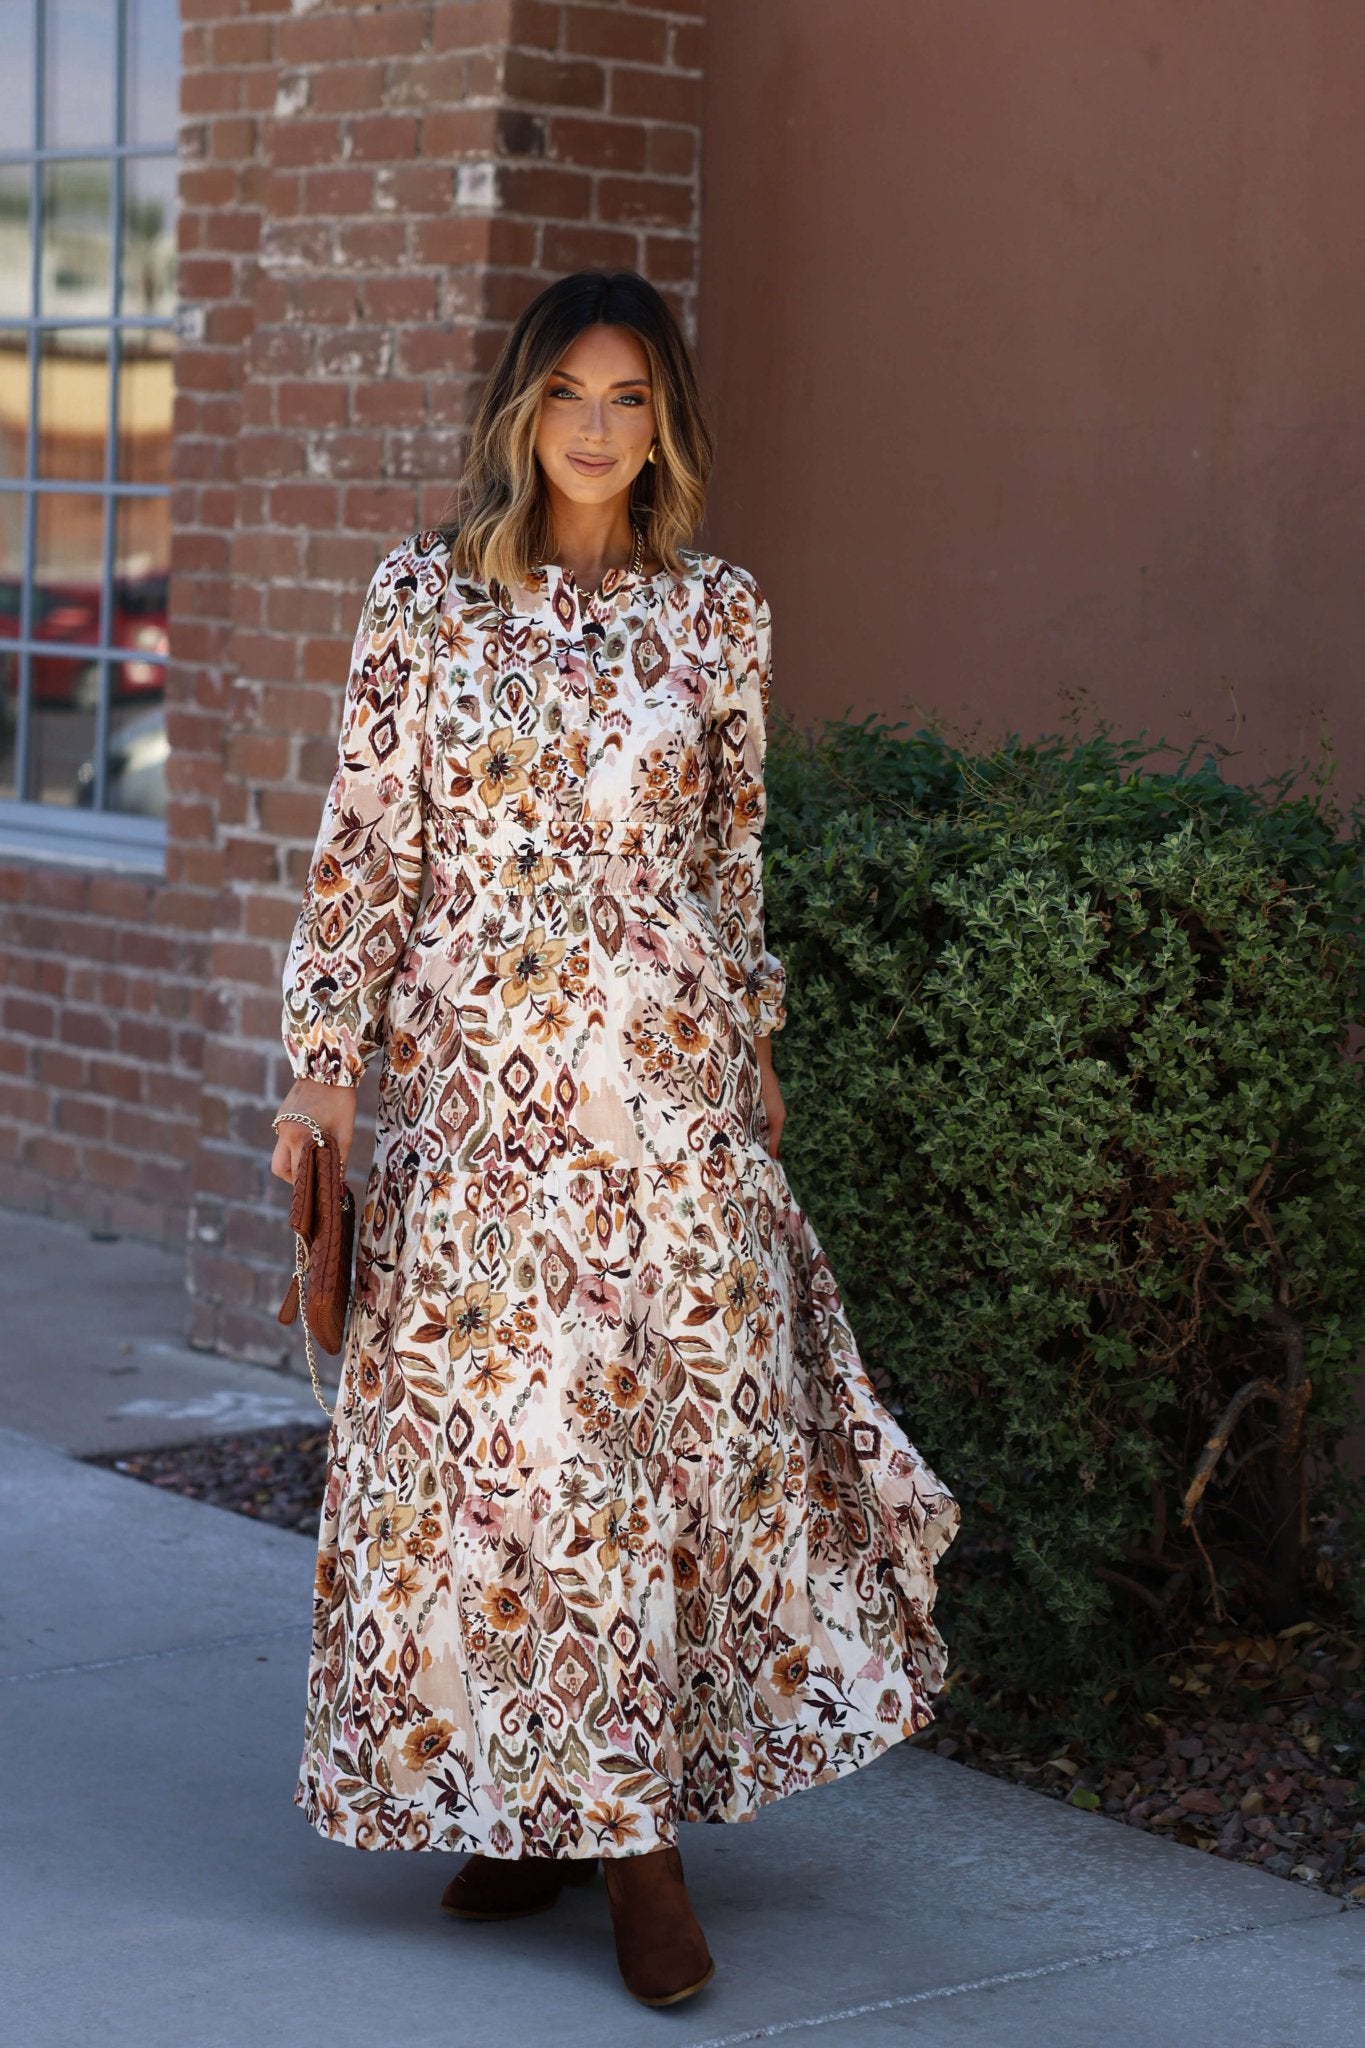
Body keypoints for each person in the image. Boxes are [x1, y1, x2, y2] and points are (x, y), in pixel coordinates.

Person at [270, 268, 961, 2009]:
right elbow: (366, 846)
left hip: (666, 1099)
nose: (595, 426)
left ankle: (624, 1829)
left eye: (629, 398)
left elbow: (730, 861)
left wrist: (761, 1037)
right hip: (481, 1102)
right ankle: (543, 1814)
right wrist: (322, 1067)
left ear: (664, 424)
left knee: (650, 1459)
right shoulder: (423, 601)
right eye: (568, 393)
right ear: (520, 410)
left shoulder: (717, 614)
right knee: (501, 1465)